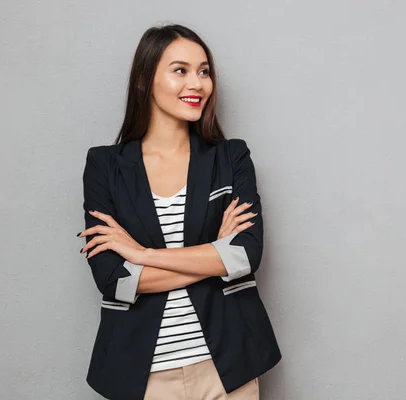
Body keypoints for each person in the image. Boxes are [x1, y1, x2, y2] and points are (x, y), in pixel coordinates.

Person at [77, 23, 281, 399]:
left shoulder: (231, 157)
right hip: (143, 375)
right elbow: (115, 280)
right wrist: (213, 255)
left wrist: (143, 255)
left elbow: (245, 255)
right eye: (180, 70)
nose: (198, 83)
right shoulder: (105, 166)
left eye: (204, 71)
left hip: (229, 368)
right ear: (144, 80)